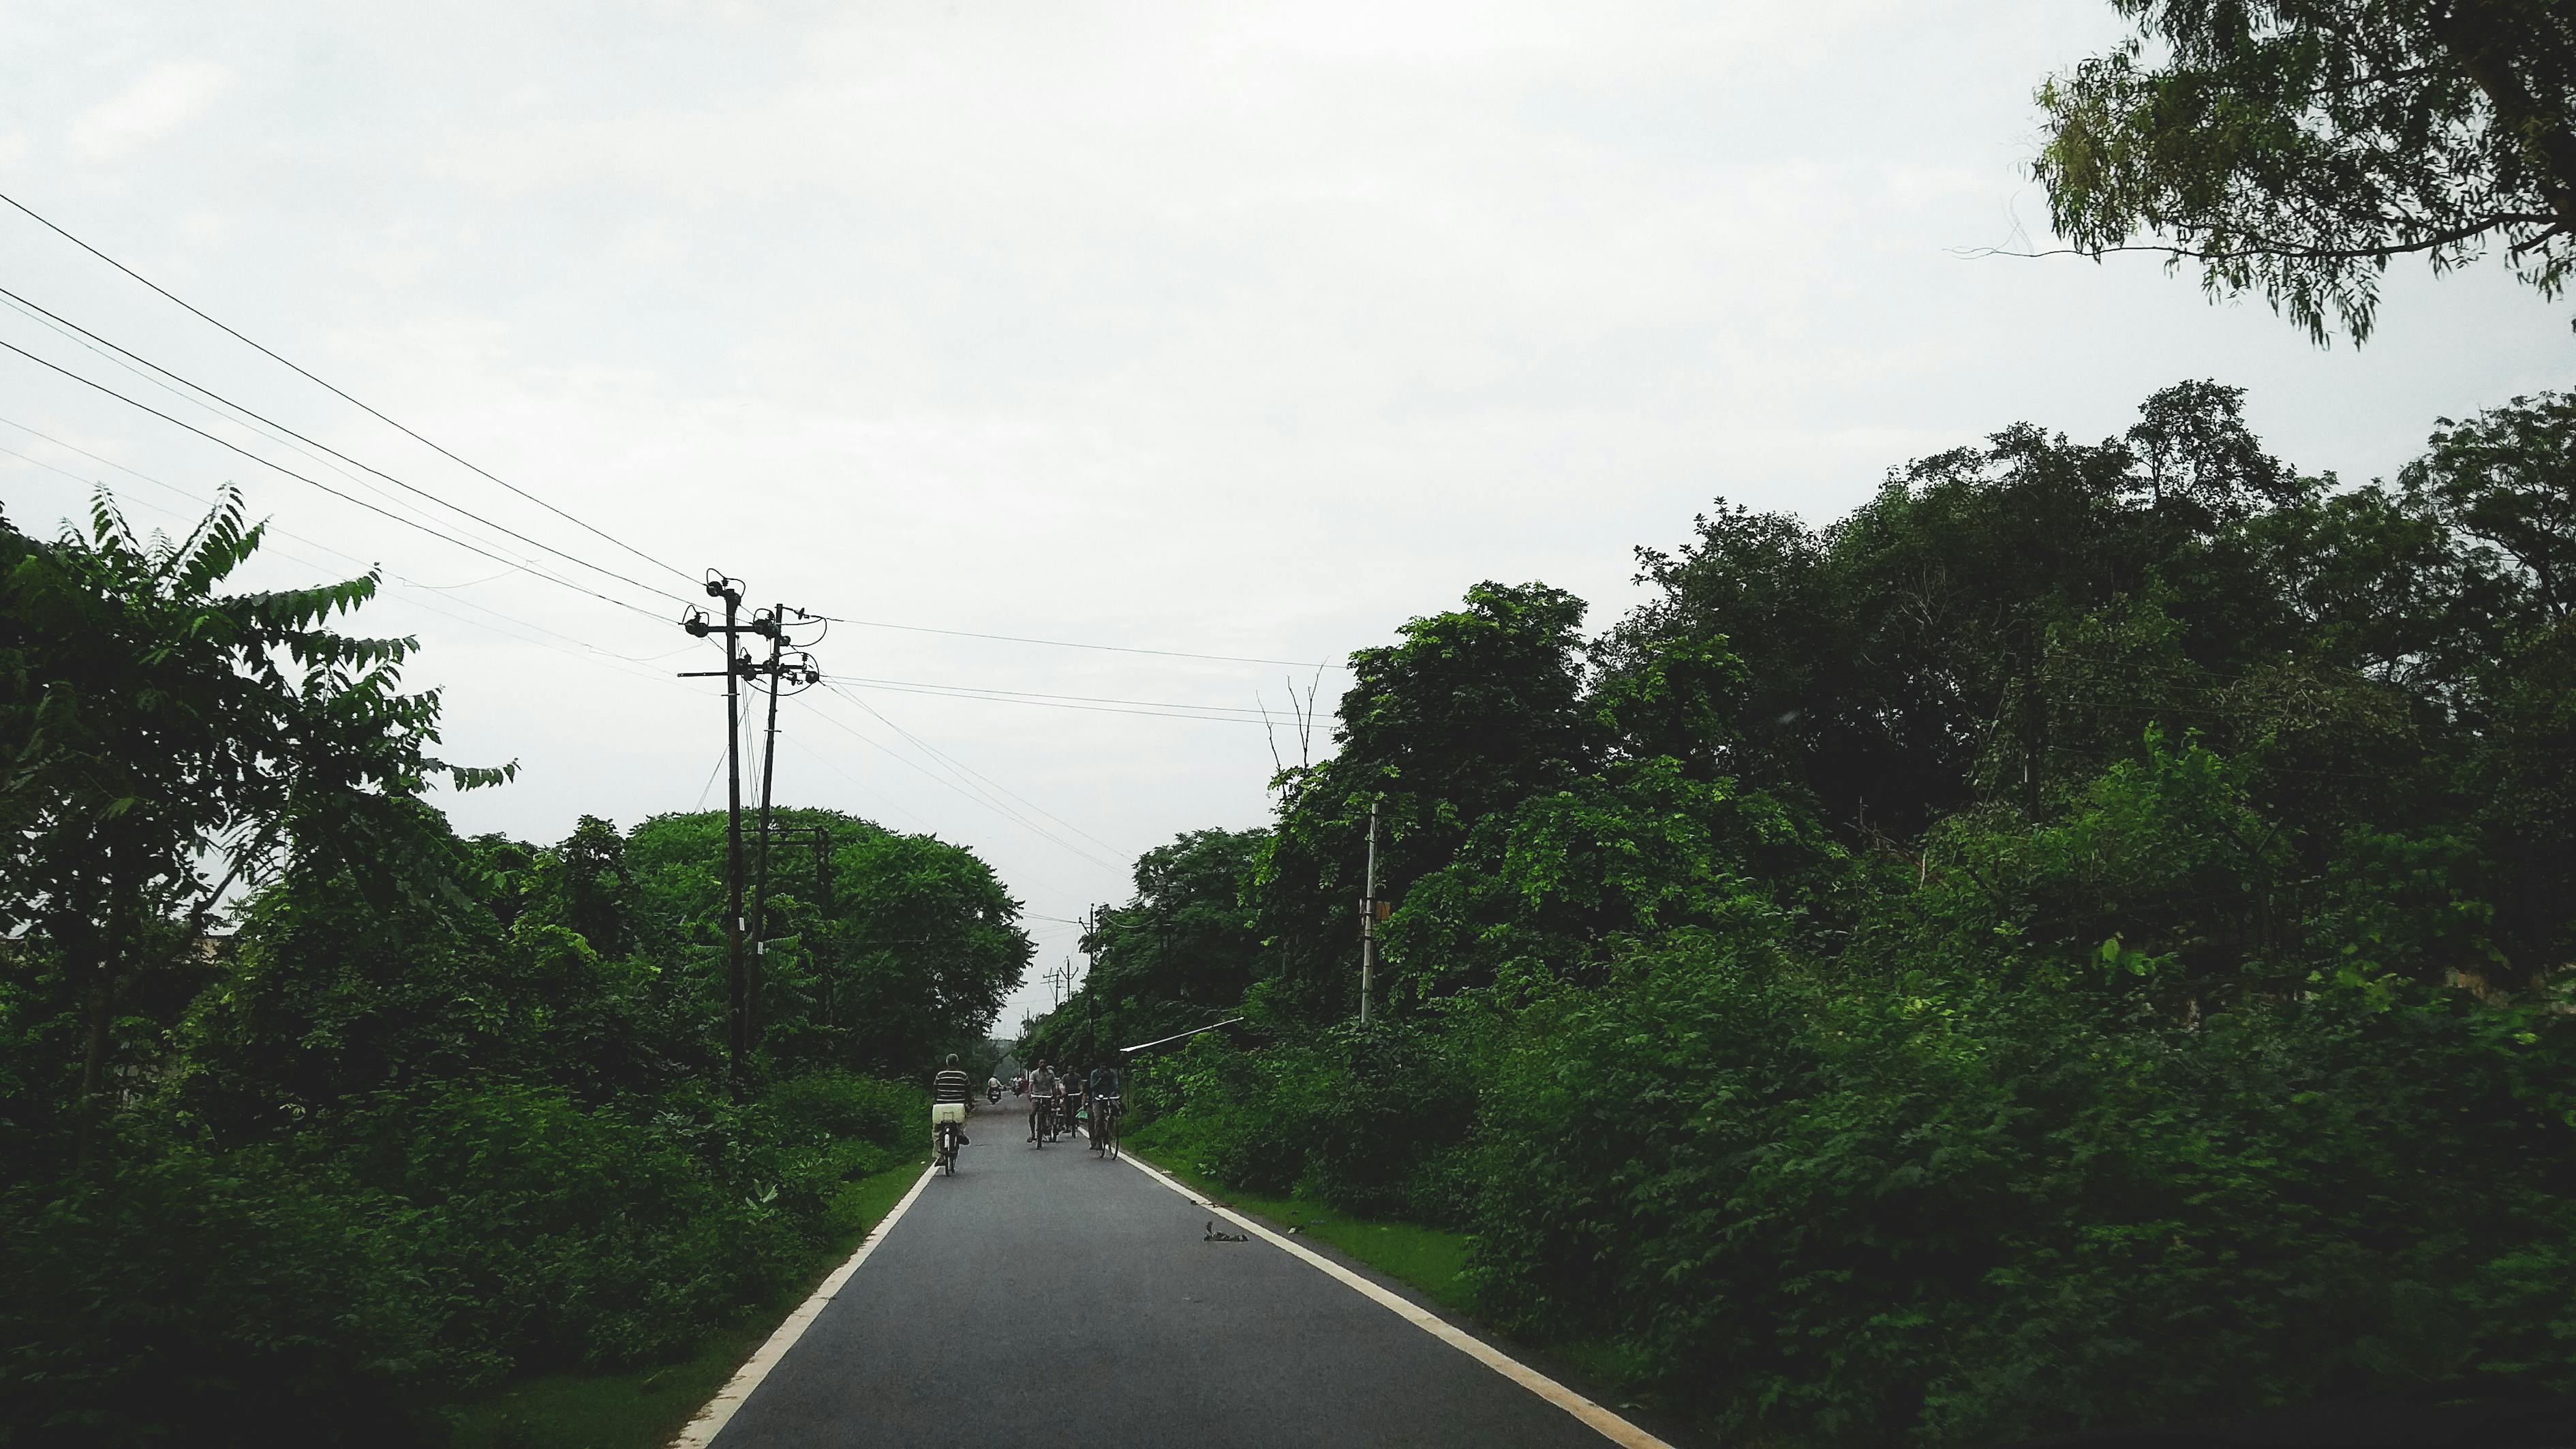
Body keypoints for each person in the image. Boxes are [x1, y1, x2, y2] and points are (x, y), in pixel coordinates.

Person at [931, 1053, 972, 1150]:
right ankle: (960, 1131)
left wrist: (936, 1101)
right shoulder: (963, 1076)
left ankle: (939, 1156)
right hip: (959, 1106)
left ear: (947, 1063)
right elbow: (968, 1092)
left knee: (937, 1131)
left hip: (941, 1106)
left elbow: (935, 1090)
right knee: (963, 1119)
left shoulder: (940, 1075)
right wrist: (970, 1105)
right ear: (957, 1063)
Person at [1088, 1060, 1122, 1149]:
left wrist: (1114, 1092)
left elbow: (1116, 1085)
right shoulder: (1095, 1074)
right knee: (1098, 1118)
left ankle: (1112, 1132)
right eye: (1103, 1065)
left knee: (1115, 1111)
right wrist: (1101, 1079)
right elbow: (1093, 1087)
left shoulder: (1112, 1073)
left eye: (1106, 1065)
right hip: (1098, 1098)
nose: (1104, 1067)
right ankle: (1098, 1140)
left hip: (1109, 1096)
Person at [1026, 1061, 1059, 1142]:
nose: (1043, 1064)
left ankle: (1047, 1126)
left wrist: (1055, 1098)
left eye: (1044, 1063)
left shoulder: (1051, 1074)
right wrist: (1030, 1092)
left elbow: (1053, 1086)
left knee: (1049, 1113)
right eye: (1041, 1063)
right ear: (1038, 1064)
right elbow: (1031, 1084)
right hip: (1036, 1096)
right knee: (1032, 1114)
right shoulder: (1034, 1074)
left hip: (1047, 1096)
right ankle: (1033, 1133)